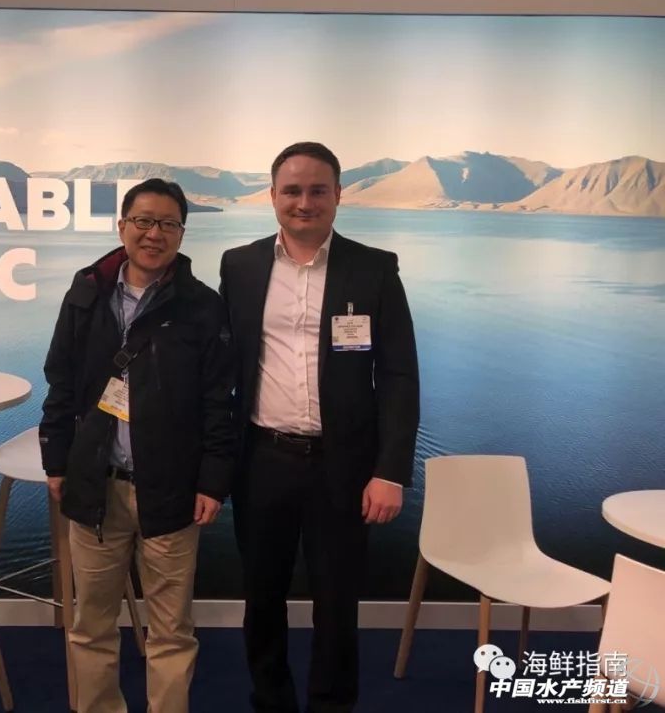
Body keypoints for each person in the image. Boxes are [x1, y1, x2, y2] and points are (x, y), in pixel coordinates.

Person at [219, 142, 419, 713]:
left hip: (344, 468)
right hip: (262, 461)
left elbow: (399, 375)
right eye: (292, 190)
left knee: (337, 602)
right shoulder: (240, 265)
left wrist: (390, 471)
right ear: (272, 195)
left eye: (317, 190)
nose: (304, 202)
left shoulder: (374, 268)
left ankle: (331, 705)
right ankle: (271, 702)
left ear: (337, 195)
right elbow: (223, 360)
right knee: (262, 597)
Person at [40, 177, 236, 713]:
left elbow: (219, 401)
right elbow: (61, 383)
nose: (155, 234)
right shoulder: (86, 294)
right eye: (144, 221)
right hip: (96, 487)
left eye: (168, 224)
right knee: (91, 625)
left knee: (171, 631)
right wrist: (56, 462)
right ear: (122, 225)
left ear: (182, 233)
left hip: (171, 492)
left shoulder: (202, 306)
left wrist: (213, 480)